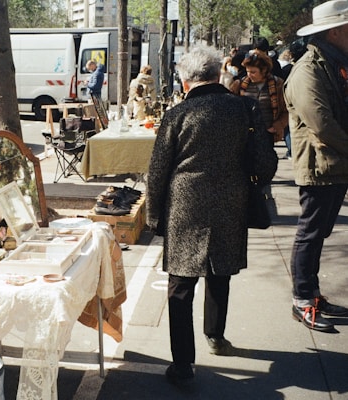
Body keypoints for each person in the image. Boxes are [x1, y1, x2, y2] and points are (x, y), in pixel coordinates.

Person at [146, 46, 277, 386]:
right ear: (219, 73)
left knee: (180, 286)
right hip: (230, 202)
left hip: (185, 205)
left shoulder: (177, 114)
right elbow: (264, 163)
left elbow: (158, 171)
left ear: (185, 80)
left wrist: (153, 214)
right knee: (220, 273)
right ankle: (215, 337)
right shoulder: (244, 108)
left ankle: (183, 365)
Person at [284, 0, 348, 332]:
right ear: (336, 31)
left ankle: (312, 295)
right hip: (320, 165)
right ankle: (302, 300)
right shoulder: (309, 69)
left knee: (318, 234)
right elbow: (321, 123)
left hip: (332, 163)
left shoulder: (332, 62)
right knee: (310, 234)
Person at [230, 49, 288, 147]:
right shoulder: (238, 85)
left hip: (268, 134)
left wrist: (277, 126)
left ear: (264, 70)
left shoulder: (278, 84)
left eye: (253, 72)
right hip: (245, 135)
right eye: (248, 71)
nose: (249, 75)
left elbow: (287, 109)